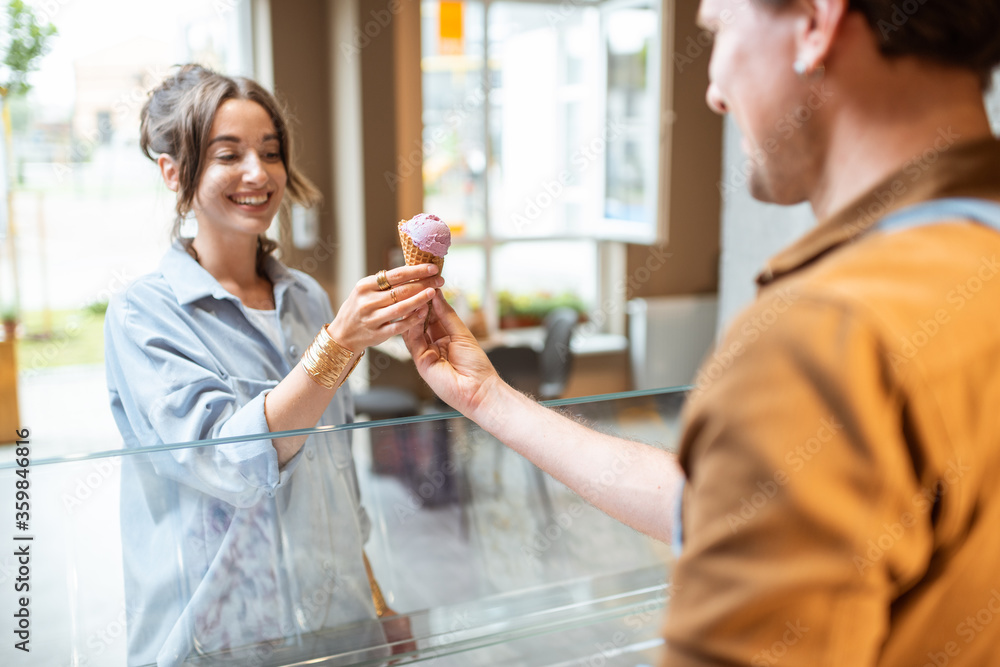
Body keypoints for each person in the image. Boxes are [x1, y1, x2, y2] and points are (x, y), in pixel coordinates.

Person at [403, 1, 1000, 665]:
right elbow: (742, 508)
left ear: (814, 21)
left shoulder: (823, 339)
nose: (713, 91)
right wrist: (490, 398)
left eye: (718, 29)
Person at [104, 65, 440, 666]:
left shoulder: (307, 298)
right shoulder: (142, 317)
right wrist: (337, 344)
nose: (258, 174)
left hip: (338, 634)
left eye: (271, 152)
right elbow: (226, 461)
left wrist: (378, 605)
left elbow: (336, 476)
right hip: (222, 640)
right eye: (228, 155)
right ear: (174, 171)